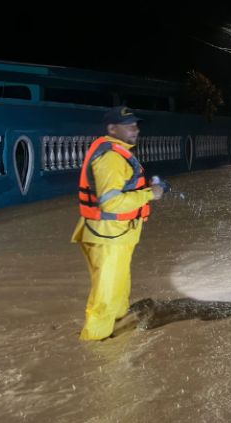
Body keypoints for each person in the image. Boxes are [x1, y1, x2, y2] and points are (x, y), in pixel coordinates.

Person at [71, 106, 164, 341]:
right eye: (128, 125)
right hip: (108, 236)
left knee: (118, 287)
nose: (135, 129)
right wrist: (150, 194)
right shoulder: (111, 158)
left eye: (136, 124)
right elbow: (111, 203)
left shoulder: (117, 152)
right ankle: (95, 343)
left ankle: (120, 326)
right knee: (106, 295)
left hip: (115, 235)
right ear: (112, 128)